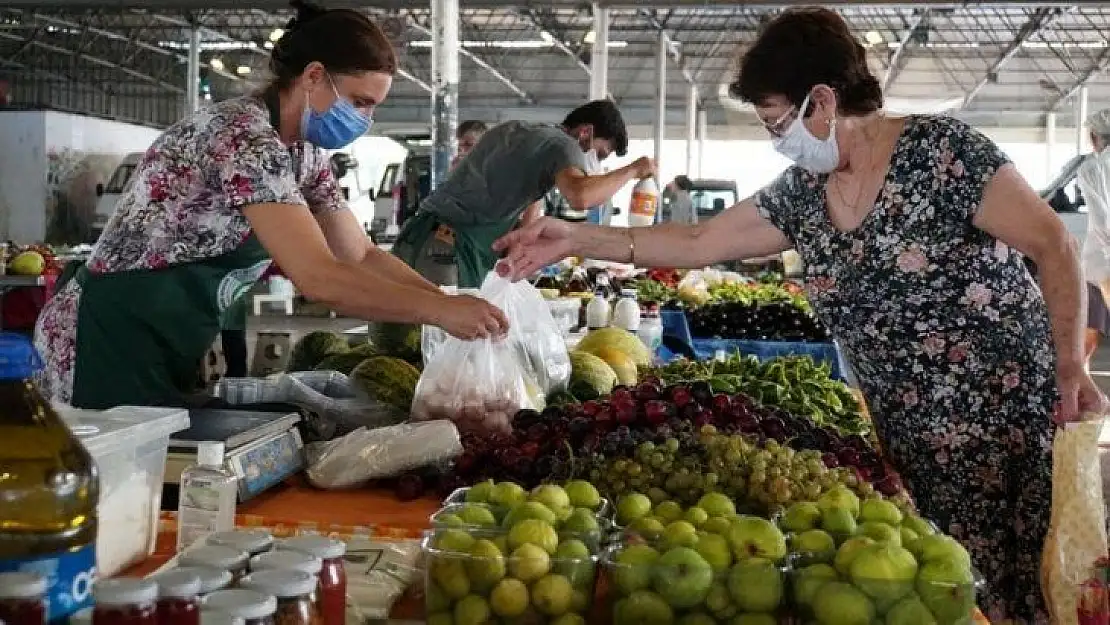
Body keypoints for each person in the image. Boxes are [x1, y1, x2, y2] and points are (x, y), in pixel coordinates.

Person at [493, 8, 1105, 622]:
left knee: (1020, 587)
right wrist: (575, 240)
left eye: (775, 121)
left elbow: (1055, 244)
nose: (775, 139)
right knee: (932, 588)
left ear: (822, 100)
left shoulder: (944, 155)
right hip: (908, 433)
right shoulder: (805, 192)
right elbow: (700, 242)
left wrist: (1070, 365)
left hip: (1006, 421)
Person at [33, 0, 507, 410]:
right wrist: (436, 312)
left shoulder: (305, 153)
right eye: (361, 102)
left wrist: (448, 300)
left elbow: (359, 254)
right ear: (315, 77)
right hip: (105, 335)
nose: (365, 119)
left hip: (160, 335)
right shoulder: (242, 138)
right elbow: (318, 277)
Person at [393, 100, 654, 288]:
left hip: (423, 235)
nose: (595, 162)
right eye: (600, 153)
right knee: (441, 344)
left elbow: (532, 195)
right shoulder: (566, 146)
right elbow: (580, 197)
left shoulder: (519, 132)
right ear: (585, 133)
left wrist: (519, 246)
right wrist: (634, 170)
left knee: (408, 338)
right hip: (448, 249)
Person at [1079, 108, 1110, 367]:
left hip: (1100, 260)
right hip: (1100, 261)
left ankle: (1083, 400)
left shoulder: (1092, 167)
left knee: (1089, 328)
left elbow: (1101, 215)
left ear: (1093, 136)